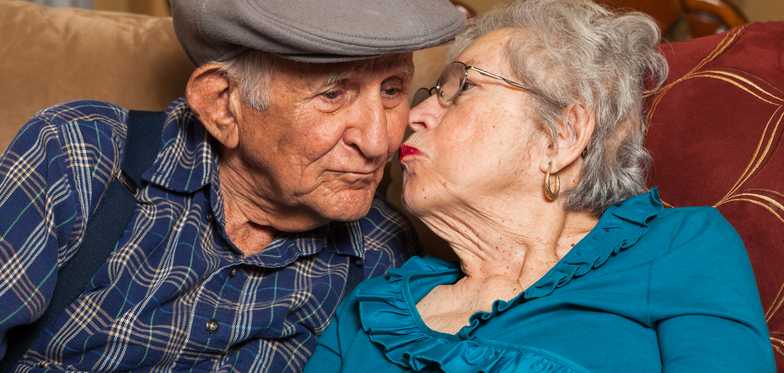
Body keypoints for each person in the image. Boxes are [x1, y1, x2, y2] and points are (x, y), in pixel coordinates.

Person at [305, 0, 776, 372]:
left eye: (463, 88)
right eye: (429, 94)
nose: (413, 115)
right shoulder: (373, 309)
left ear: (563, 135)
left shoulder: (677, 245)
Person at [0, 0, 465, 371]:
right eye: (333, 93)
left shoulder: (384, 251)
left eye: (392, 90)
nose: (380, 141)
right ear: (223, 104)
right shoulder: (83, 153)